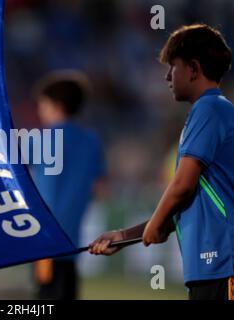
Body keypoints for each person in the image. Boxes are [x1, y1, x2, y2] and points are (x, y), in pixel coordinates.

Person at [89, 24, 233, 300]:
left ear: (193, 68)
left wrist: (155, 225)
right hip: (211, 268)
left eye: (173, 67)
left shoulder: (209, 109)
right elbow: (178, 210)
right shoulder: (212, 111)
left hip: (222, 264)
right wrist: (123, 236)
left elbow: (181, 187)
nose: (167, 76)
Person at [31, 70, 106, 300]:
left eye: (42, 104)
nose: (39, 110)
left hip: (44, 239)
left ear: (57, 105)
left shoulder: (41, 140)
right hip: (72, 239)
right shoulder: (91, 141)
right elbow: (97, 187)